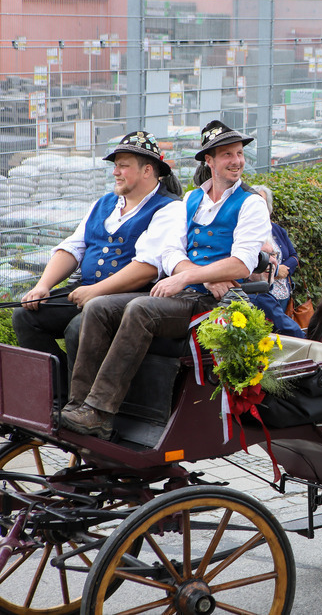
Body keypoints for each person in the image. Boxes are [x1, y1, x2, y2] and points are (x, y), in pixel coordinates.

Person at [60, 120, 272, 439]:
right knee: (99, 307)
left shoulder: (251, 204)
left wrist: (189, 277)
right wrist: (193, 274)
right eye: (227, 154)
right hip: (186, 294)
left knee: (142, 310)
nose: (237, 160)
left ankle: (101, 411)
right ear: (209, 161)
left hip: (215, 306)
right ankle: (80, 406)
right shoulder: (190, 200)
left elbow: (241, 264)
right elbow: (169, 252)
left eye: (239, 153)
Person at [13, 130, 182, 383]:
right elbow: (73, 247)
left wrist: (96, 291)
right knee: (26, 316)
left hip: (133, 299)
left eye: (123, 166)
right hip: (90, 291)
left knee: (77, 329)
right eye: (116, 166)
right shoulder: (103, 203)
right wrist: (43, 286)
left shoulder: (170, 208)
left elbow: (148, 267)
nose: (115, 172)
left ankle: (81, 405)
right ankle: (57, 393)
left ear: (147, 170)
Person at [246, 185, 304, 338]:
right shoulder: (245, 231)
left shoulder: (277, 230)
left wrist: (284, 269)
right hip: (261, 287)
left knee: (282, 327)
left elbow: (293, 256)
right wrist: (275, 270)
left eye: (262, 202)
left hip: (281, 290)